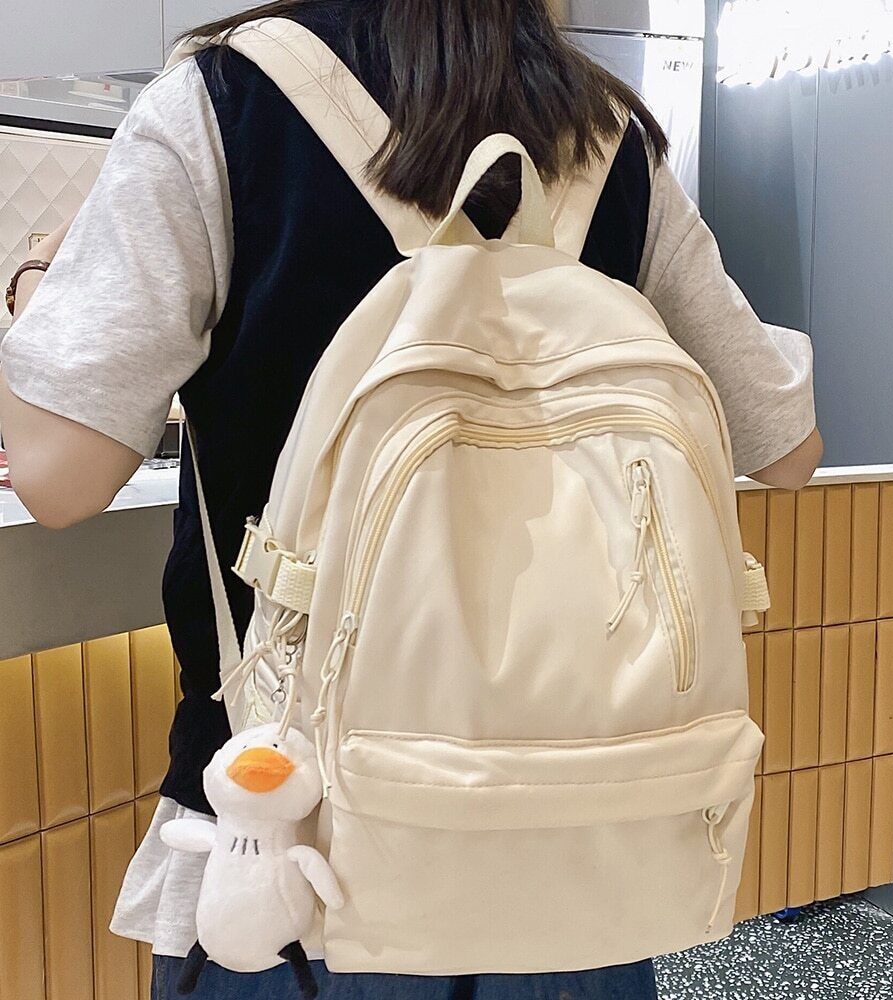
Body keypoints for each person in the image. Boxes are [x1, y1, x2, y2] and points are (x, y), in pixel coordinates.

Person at [0, 1, 822, 997]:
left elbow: (59, 475)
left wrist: (38, 276)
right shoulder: (607, 141)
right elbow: (786, 447)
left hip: (294, 857)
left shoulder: (222, 102)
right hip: (584, 852)